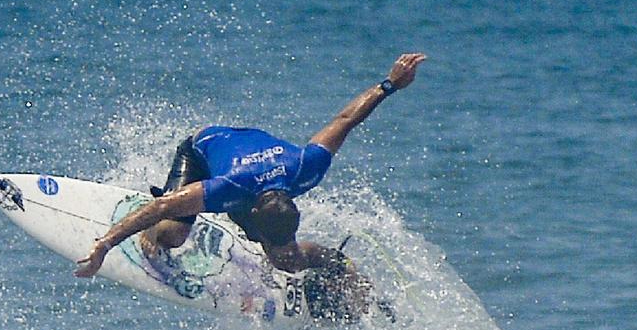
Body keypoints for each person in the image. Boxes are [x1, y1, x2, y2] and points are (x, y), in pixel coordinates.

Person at [73, 53, 426, 281]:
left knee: (287, 260)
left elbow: (346, 119)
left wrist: (390, 83)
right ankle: (150, 226)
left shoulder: (305, 168)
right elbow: (163, 206)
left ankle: (340, 266)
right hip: (201, 151)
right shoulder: (228, 188)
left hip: (251, 168)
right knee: (170, 236)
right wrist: (104, 245)